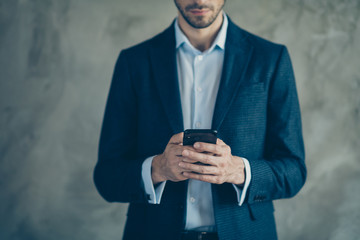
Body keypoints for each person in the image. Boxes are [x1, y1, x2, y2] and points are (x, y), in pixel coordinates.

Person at [93, 0, 307, 239]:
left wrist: (238, 172)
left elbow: (294, 170)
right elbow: (106, 176)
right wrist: (157, 169)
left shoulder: (271, 58)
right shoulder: (134, 62)